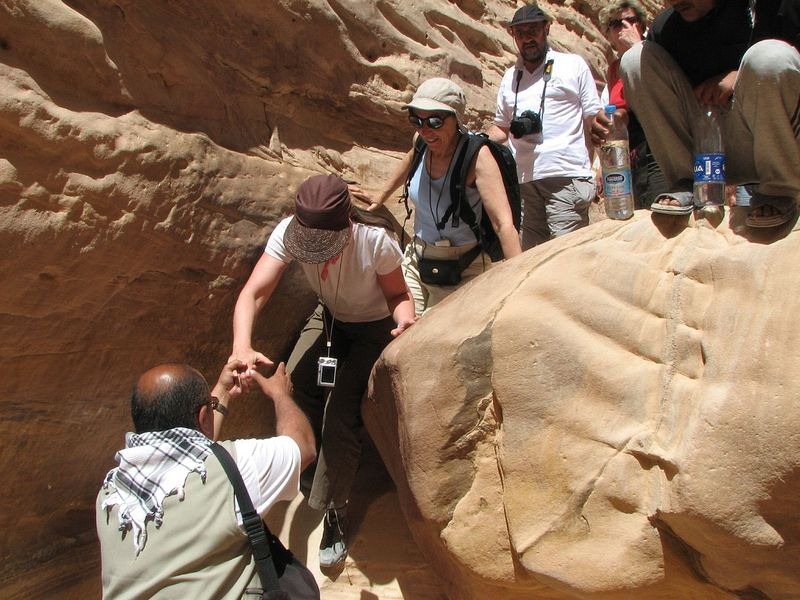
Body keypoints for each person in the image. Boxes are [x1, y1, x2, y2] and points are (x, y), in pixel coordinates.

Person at [230, 173, 416, 567]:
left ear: (346, 223)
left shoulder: (373, 242)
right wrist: (241, 346)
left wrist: (405, 323)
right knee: (292, 385)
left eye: (324, 247)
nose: (317, 255)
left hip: (373, 327)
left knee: (340, 415)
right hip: (329, 318)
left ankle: (336, 506)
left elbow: (398, 294)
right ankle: (312, 474)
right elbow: (254, 292)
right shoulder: (289, 231)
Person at [97, 359, 316, 599]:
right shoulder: (233, 468)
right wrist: (280, 394)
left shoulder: (110, 494)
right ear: (204, 417)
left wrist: (221, 392)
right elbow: (303, 446)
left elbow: (193, 454)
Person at [619, 0, 800, 226]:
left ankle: (780, 190)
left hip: (773, 142)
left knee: (770, 57)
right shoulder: (666, 28)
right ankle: (687, 183)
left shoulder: (776, 8)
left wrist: (738, 75)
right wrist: (618, 118)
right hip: (707, 151)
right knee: (635, 59)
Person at [350, 77, 521, 315]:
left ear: (456, 119)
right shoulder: (421, 142)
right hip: (417, 261)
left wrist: (518, 283)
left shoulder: (478, 158)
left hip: (461, 270)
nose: (425, 129)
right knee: (407, 336)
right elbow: (411, 158)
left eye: (434, 121)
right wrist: (382, 193)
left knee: (433, 344)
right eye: (416, 120)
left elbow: (503, 224)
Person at [487, 4, 604, 250]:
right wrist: (473, 140)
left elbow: (595, 119)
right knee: (532, 263)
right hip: (525, 183)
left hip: (565, 177)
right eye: (520, 32)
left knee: (565, 260)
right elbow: (501, 128)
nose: (527, 37)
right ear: (513, 35)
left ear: (547, 28)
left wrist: (601, 165)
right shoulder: (511, 77)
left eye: (533, 30)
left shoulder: (573, 65)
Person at [591, 0, 667, 209]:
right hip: (633, 152)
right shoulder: (614, 69)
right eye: (616, 24)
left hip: (660, 147)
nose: (624, 26)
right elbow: (620, 112)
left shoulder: (657, 50)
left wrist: (637, 48)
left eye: (630, 20)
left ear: (641, 25)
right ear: (609, 35)